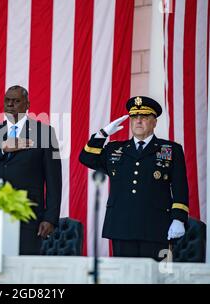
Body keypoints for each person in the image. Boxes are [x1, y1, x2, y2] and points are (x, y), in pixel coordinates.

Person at [79, 96, 189, 261]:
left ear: (154, 122)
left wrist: (178, 218)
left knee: (154, 276)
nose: (138, 121)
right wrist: (103, 134)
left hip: (156, 225)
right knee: (124, 276)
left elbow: (180, 187)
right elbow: (86, 158)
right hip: (121, 226)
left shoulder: (171, 149)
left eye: (144, 117)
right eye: (134, 117)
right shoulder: (115, 149)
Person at [0, 85, 62, 255]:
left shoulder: (44, 133)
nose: (11, 105)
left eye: (16, 101)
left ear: (27, 104)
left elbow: (54, 180)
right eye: (7, 101)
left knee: (23, 269)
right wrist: (1, 148)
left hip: (27, 216)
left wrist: (50, 218)